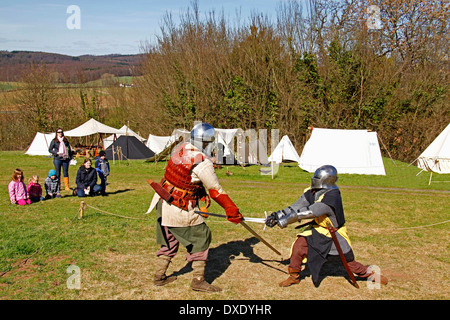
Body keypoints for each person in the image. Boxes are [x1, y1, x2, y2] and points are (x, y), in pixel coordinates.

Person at [149, 122, 243, 292]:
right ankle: (198, 281)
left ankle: (159, 276)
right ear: (206, 142)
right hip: (179, 207)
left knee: (170, 240)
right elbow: (216, 190)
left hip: (163, 202)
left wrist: (199, 191)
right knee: (202, 237)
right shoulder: (202, 162)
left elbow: (183, 177)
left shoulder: (180, 147)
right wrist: (232, 210)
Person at [265, 165, 388, 287]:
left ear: (325, 180)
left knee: (349, 262)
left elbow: (310, 212)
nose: (314, 179)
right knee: (298, 247)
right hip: (317, 229)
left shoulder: (332, 196)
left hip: (334, 233)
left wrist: (284, 221)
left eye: (317, 177)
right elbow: (296, 206)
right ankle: (294, 276)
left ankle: (371, 275)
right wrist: (276, 216)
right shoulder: (313, 192)